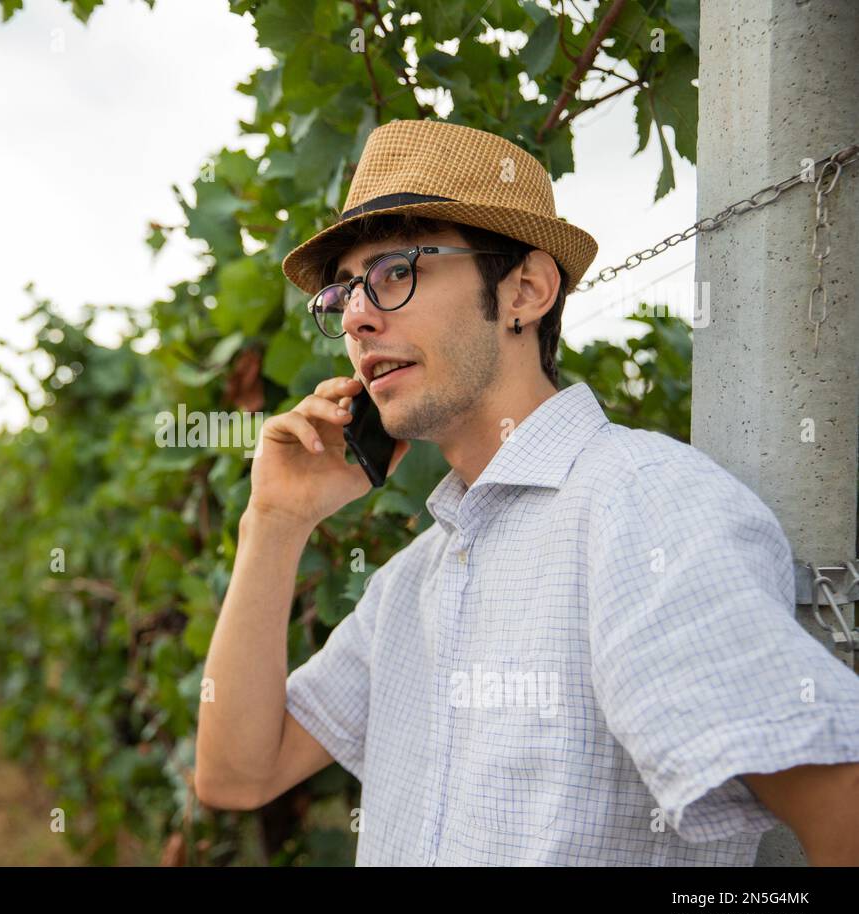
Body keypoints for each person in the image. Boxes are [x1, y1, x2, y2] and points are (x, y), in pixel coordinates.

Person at [194, 118, 859, 865]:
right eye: (345, 293)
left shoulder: (640, 507)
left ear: (526, 290)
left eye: (394, 272)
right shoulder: (408, 586)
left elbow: (840, 797)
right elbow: (236, 775)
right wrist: (274, 522)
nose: (356, 317)